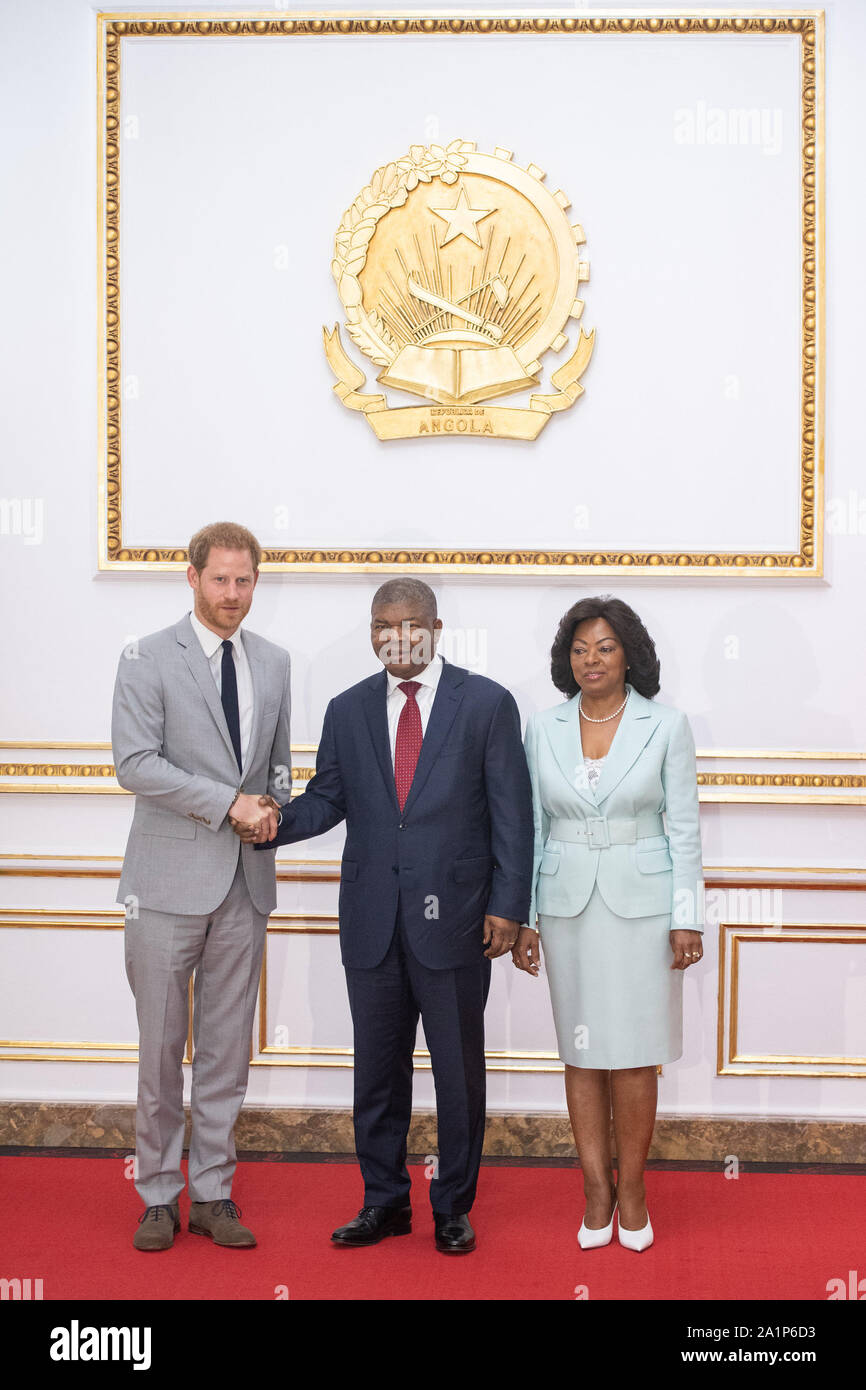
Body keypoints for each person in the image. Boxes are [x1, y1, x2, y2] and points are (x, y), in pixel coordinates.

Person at [255, 578, 532, 1253]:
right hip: (373, 922)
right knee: (377, 1073)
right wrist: (270, 822)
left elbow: (513, 816)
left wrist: (508, 906)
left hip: (460, 923)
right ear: (372, 630)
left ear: (435, 628)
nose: (397, 636)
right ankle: (384, 1202)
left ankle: (453, 1209)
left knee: (458, 1074)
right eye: (383, 624)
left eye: (410, 624)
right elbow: (326, 800)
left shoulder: (487, 704)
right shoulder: (348, 710)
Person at [111, 521, 291, 1251]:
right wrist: (228, 804)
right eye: (220, 580)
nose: (233, 595)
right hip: (163, 884)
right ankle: (157, 1193)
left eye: (244, 581)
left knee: (225, 1052)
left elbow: (275, 767)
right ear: (191, 578)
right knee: (160, 1050)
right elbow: (135, 763)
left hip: (244, 886)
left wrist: (272, 804)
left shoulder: (274, 663)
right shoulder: (146, 657)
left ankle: (214, 1191)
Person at [512, 596, 703, 1252]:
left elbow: (684, 829)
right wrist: (527, 916)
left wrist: (687, 918)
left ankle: (634, 1190)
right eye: (580, 648)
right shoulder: (542, 727)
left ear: (630, 656)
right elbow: (531, 827)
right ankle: (595, 1188)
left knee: (635, 1054)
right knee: (583, 1052)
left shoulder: (667, 726)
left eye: (606, 647)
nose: (591, 659)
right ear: (567, 659)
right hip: (567, 907)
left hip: (646, 910)